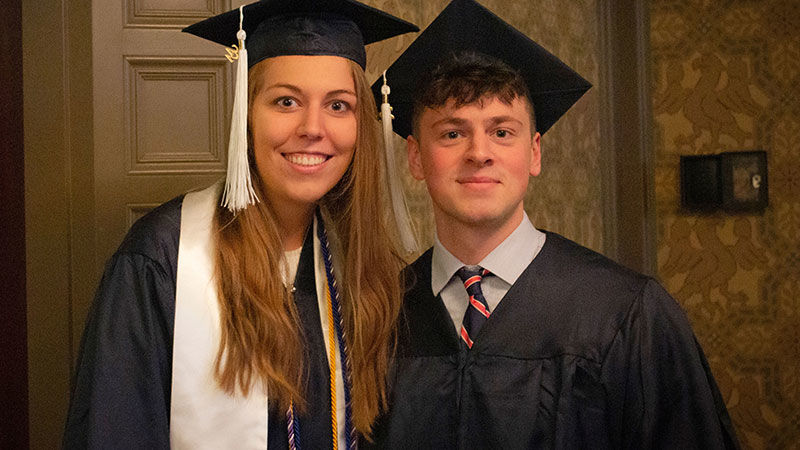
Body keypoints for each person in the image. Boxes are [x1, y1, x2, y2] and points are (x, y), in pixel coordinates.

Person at [365, 0, 740, 448]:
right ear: (415, 157)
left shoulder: (625, 315)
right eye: (452, 133)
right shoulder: (381, 317)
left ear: (535, 153)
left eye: (502, 131)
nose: (478, 152)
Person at [63, 1, 417, 448]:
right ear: (246, 115)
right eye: (285, 101)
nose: (313, 127)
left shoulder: (364, 268)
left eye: (338, 105)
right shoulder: (162, 258)